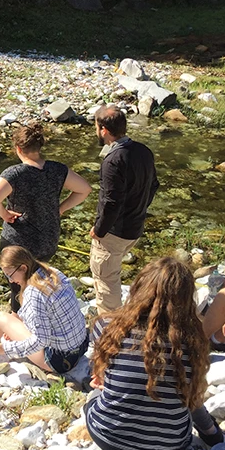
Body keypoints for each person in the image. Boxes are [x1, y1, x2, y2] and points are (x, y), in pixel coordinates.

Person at [86, 258, 222, 450]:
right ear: (186, 299)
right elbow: (192, 399)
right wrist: (211, 432)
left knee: (93, 400)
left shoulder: (107, 327)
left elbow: (102, 373)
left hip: (109, 438)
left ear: (139, 288)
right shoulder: (192, 343)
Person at [0, 122, 92, 311]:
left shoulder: (15, 173)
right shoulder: (58, 170)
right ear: (39, 147)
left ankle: (20, 323)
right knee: (37, 282)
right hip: (47, 239)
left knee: (18, 287)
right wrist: (61, 208)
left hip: (19, 242)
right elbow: (84, 190)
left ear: (18, 148)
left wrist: (4, 214)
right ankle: (39, 315)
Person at [0, 246, 88, 373]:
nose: (11, 281)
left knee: (1, 318)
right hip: (82, 347)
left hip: (61, 361)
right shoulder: (52, 272)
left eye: (10, 275)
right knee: (12, 322)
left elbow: (40, 341)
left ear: (23, 268)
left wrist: (6, 348)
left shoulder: (34, 292)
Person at [90, 104, 159, 315]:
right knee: (114, 270)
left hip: (114, 233)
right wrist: (139, 210)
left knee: (106, 281)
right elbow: (154, 185)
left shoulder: (112, 161)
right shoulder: (143, 151)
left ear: (104, 130)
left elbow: (110, 202)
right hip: (135, 228)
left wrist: (99, 230)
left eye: (96, 127)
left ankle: (111, 327)